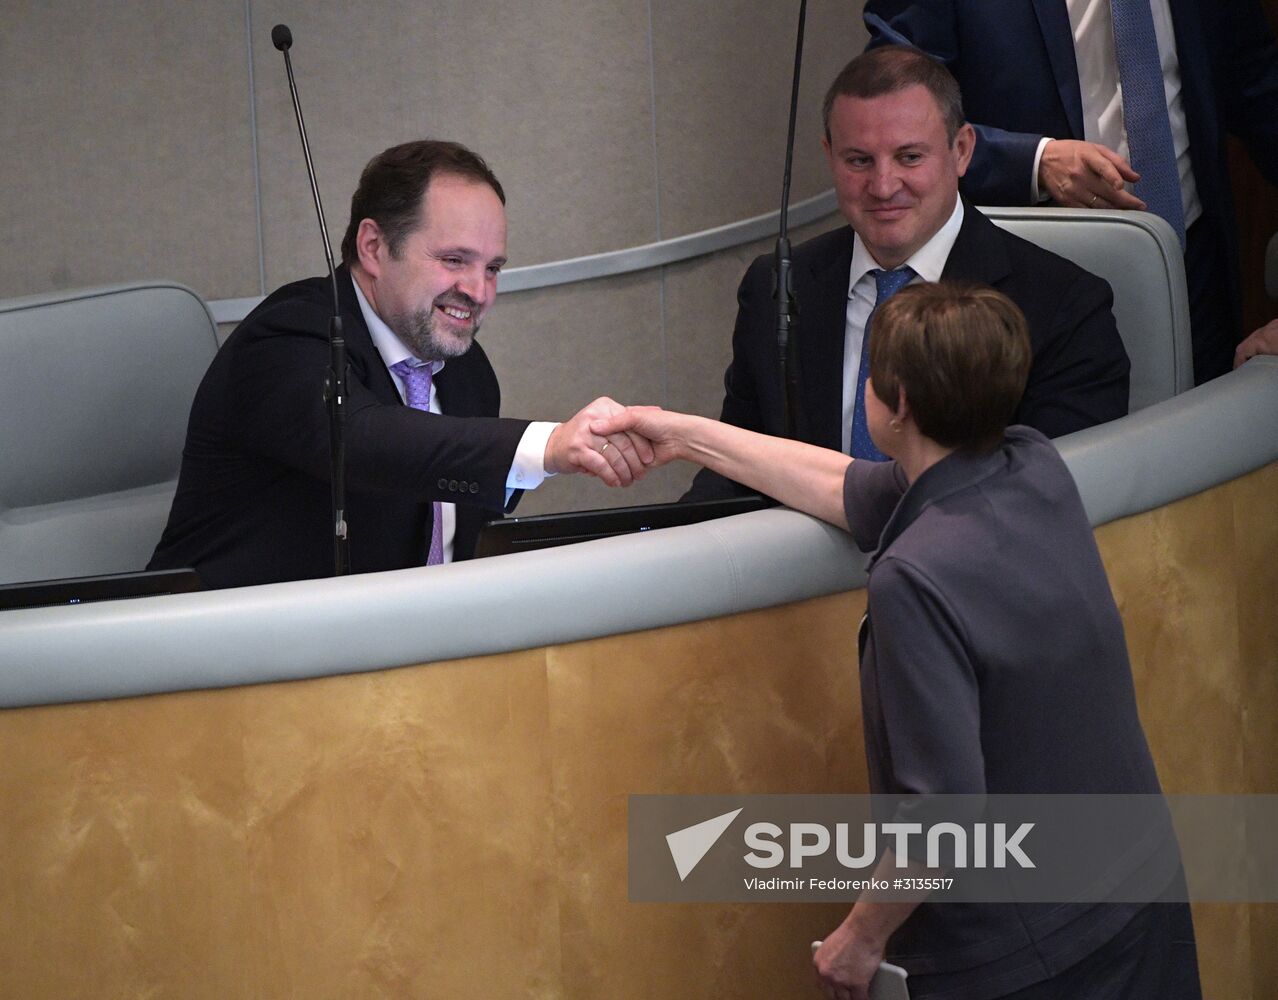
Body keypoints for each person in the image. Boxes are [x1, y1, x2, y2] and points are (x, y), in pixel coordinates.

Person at [595, 282, 1199, 1000]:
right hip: (1143, 898)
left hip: (1027, 962)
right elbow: (844, 485)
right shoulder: (1030, 466)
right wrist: (685, 435)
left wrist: (860, 937)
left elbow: (941, 813)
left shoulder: (913, 576)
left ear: (898, 403)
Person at [149, 140, 653, 589]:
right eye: (455, 260)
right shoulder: (286, 339)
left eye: (493, 268)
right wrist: (548, 445)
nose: (478, 293)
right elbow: (366, 441)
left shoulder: (468, 372)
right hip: (223, 664)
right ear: (374, 247)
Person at [686, 46, 1129, 501]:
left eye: (909, 157)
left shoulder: (1064, 305)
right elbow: (737, 471)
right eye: (858, 160)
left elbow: (1053, 499)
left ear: (961, 151)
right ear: (829, 155)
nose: (883, 186)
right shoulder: (777, 286)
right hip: (807, 569)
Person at [864, 0, 1278, 383]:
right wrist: (1034, 162)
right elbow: (893, 107)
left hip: (1194, 264)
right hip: (1029, 287)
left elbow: (1258, 88)